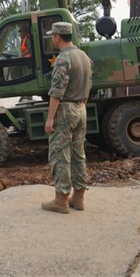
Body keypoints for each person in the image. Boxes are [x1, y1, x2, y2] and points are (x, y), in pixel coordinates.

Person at [41, 22, 93, 214]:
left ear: (57, 37)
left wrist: (50, 118)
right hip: (81, 108)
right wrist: (81, 106)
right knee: (79, 154)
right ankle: (78, 197)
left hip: (65, 109)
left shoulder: (63, 59)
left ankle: (61, 200)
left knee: (60, 154)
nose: (52, 38)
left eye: (52, 36)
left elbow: (57, 92)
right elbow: (88, 85)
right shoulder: (83, 56)